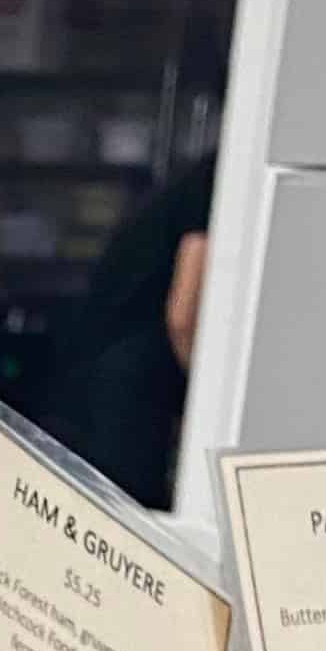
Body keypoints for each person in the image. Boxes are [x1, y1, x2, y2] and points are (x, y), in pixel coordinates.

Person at [39, 157, 211, 508]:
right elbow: (183, 317)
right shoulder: (216, 179)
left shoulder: (187, 181)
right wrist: (205, 406)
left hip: (91, 372)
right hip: (124, 385)